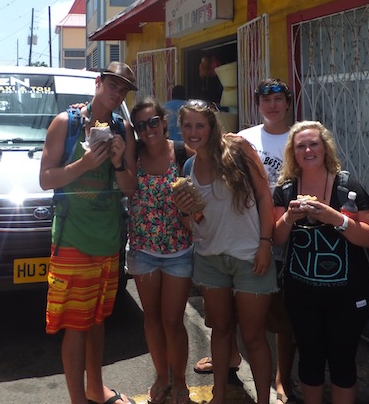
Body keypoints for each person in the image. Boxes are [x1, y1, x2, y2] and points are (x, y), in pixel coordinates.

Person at [39, 61, 139, 404]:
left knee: (97, 321)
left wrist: (118, 162)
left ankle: (95, 389)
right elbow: (46, 179)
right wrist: (85, 164)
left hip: (108, 240)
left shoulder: (123, 129)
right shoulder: (66, 123)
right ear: (98, 82)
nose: (117, 93)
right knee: (76, 326)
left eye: (123, 89)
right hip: (73, 240)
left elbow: (130, 189)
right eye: (113, 85)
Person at [193, 78, 297, 403]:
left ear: (288, 102)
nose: (272, 105)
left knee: (278, 320)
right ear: (257, 104)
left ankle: (281, 379)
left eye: (278, 99)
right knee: (227, 321)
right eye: (266, 100)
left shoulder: (300, 138)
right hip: (247, 237)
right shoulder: (243, 138)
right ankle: (231, 361)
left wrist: (267, 240)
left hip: (283, 236)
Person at [173, 99, 277, 404]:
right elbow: (194, 222)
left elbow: (264, 196)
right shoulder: (189, 167)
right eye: (187, 126)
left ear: (212, 126)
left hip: (249, 256)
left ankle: (263, 400)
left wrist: (265, 243)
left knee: (254, 336)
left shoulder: (239, 151)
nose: (193, 132)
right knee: (220, 330)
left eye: (200, 125)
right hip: (210, 259)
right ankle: (218, 395)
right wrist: (185, 211)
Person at [273, 121, 369, 404]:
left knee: (343, 361)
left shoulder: (347, 187)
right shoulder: (286, 189)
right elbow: (277, 239)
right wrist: (288, 218)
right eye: (301, 146)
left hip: (349, 295)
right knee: (309, 358)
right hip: (301, 295)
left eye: (313, 144)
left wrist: (336, 219)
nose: (308, 150)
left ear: (325, 148)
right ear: (293, 153)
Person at [127, 97, 194, 404]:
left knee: (173, 321)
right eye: (141, 125)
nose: (148, 129)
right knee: (152, 318)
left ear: (163, 122)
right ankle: (161, 376)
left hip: (179, 251)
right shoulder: (133, 156)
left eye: (153, 122)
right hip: (143, 251)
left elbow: (209, 167)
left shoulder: (180, 152)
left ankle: (179, 379)